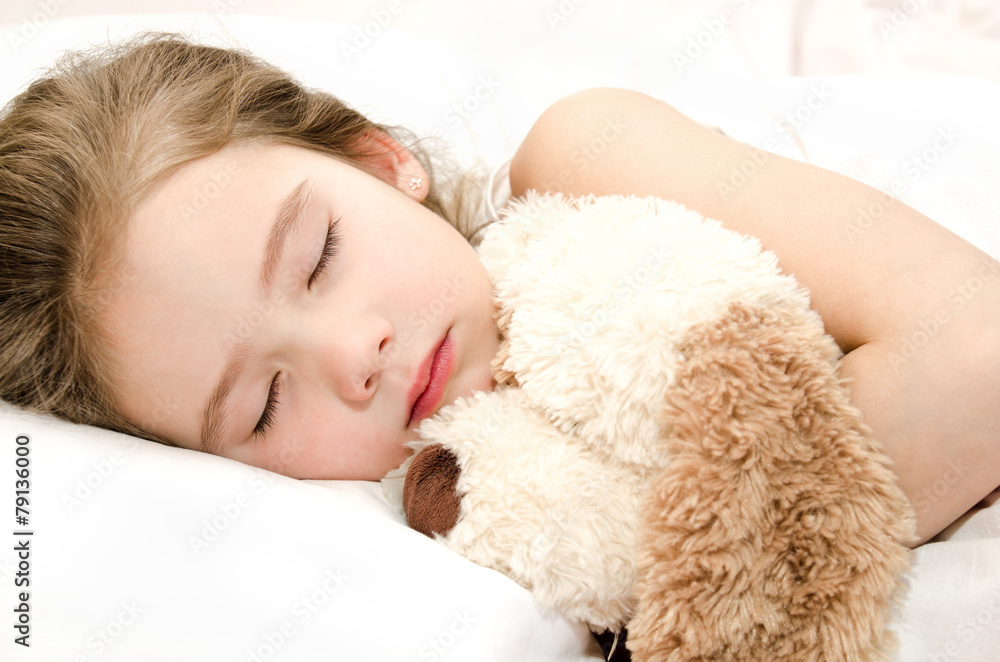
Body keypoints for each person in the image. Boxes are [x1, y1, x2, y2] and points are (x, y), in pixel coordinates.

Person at [0, 33, 997, 547]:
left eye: (319, 255)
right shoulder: (443, 534)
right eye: (262, 405)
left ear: (379, 160)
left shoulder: (585, 158)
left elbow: (978, 351)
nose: (353, 353)